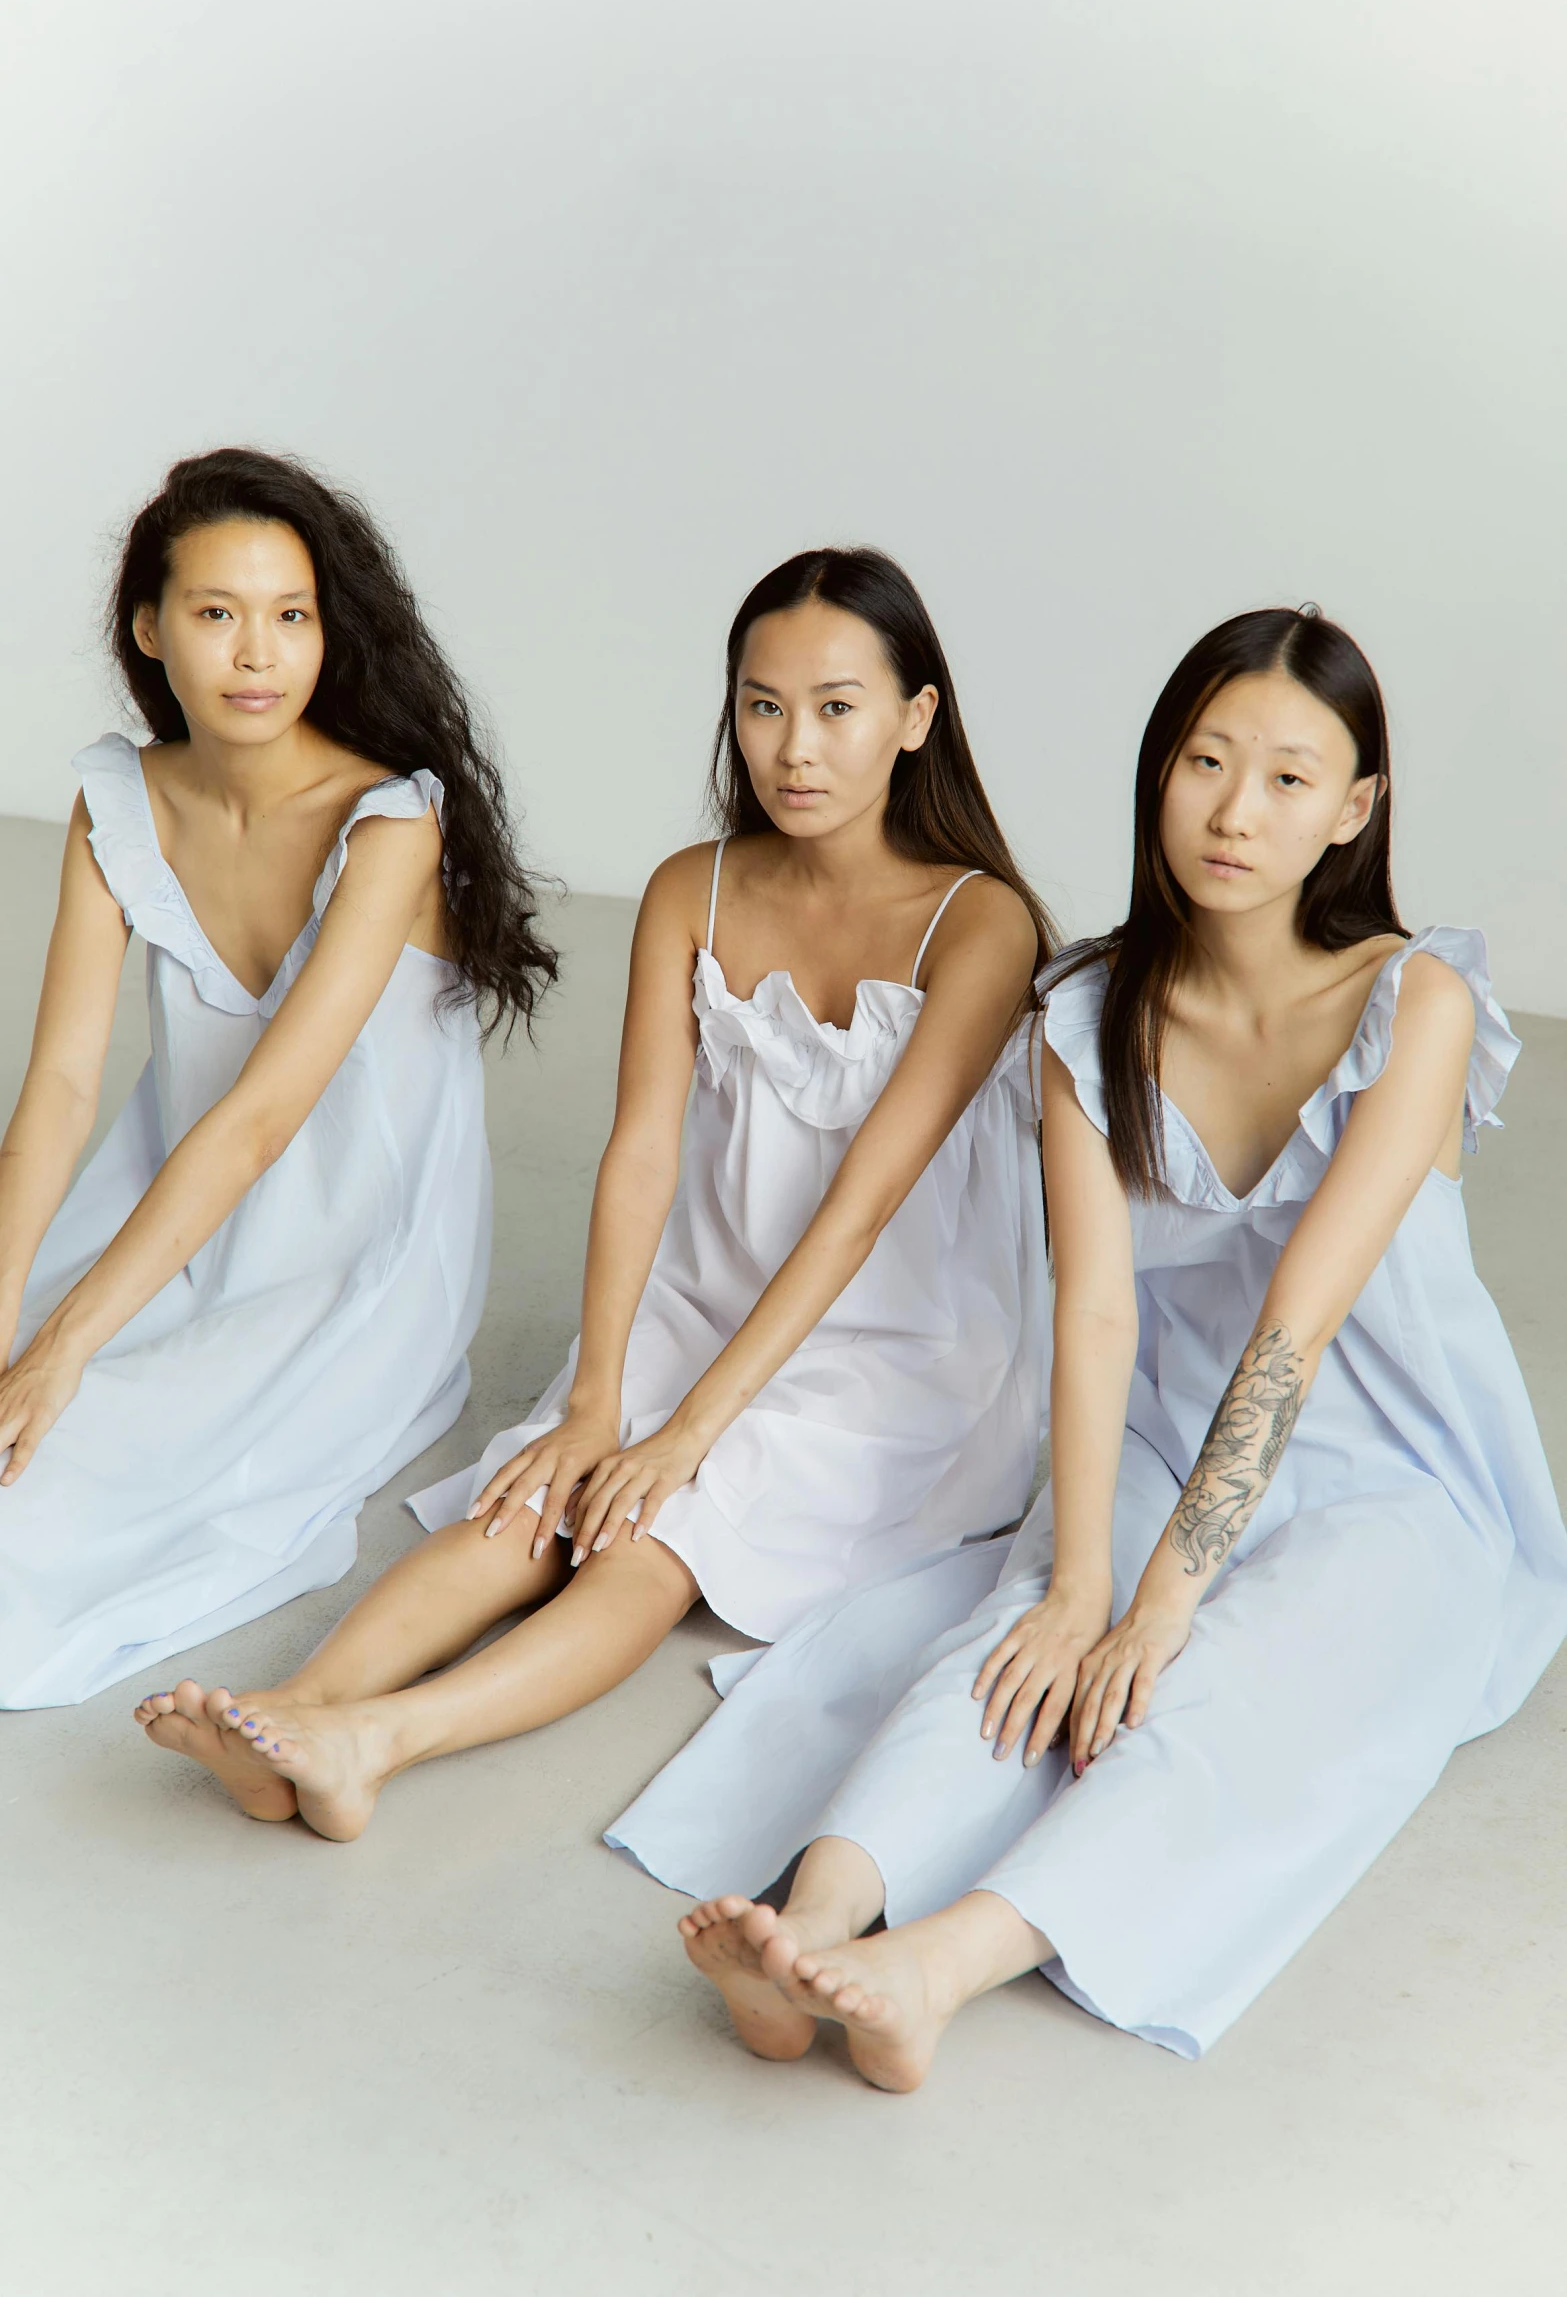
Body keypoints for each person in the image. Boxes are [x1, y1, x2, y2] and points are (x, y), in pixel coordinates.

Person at [622, 605, 1567, 2084]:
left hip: (1396, 1470)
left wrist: (1158, 1601)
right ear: (1155, 771)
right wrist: (1075, 1579)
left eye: (1284, 778)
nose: (1232, 812)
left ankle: (929, 1967)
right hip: (1151, 1418)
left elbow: (1290, 1328)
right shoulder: (1084, 1008)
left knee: (1212, 1688)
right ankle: (809, 1917)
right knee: (1013, 1652)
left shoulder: (1414, 1002)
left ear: (1354, 809)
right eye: (1202, 761)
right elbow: (1099, 1309)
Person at [190, 547, 1053, 1840]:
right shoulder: (687, 887)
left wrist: (684, 1431)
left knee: (653, 1533)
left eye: (835, 705)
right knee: (530, 1492)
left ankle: (376, 1739)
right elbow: (640, 1147)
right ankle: (291, 1709)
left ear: (914, 717)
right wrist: (598, 1396)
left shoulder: (977, 922)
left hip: (894, 1343)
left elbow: (862, 1208)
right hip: (705, 1294)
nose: (793, 745)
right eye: (761, 704)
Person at [0, 447, 555, 1713]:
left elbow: (258, 1124)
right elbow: (62, 1089)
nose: (258, 655)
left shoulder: (391, 824)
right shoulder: (113, 800)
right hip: (156, 1205)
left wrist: (60, 1350)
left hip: (347, 1251)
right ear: (148, 628)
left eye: (291, 616)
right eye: (216, 614)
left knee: (62, 1482)